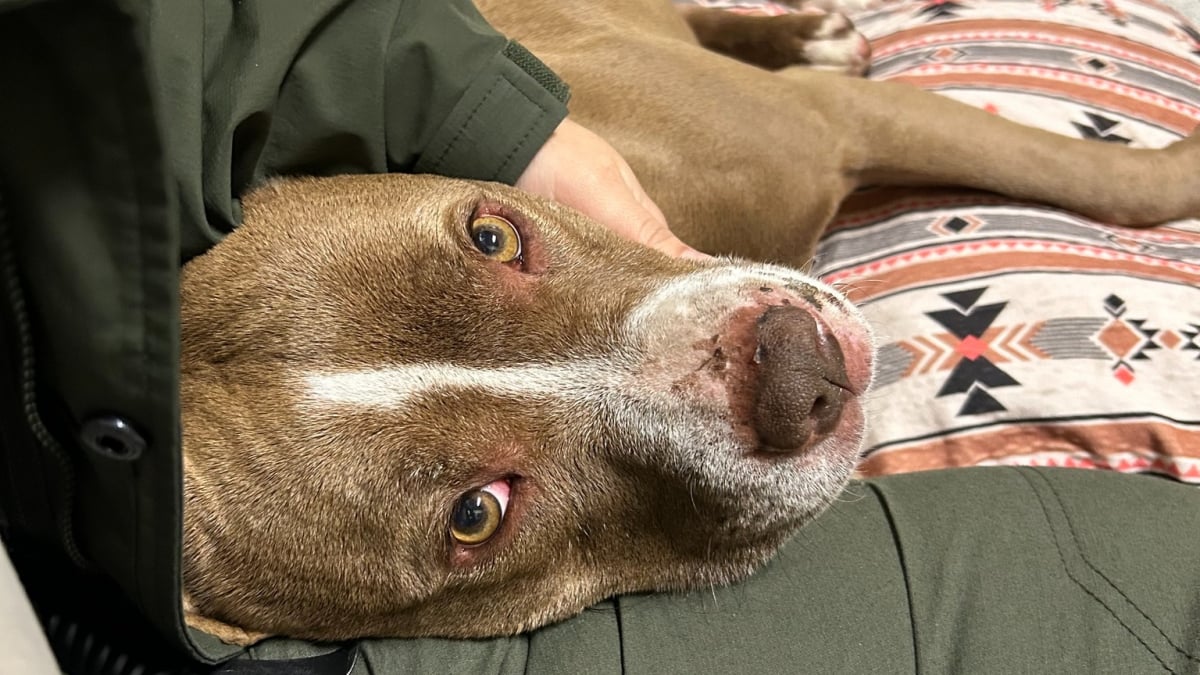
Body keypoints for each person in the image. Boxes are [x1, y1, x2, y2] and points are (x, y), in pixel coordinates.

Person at [0, 1, 1197, 674]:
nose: (774, 370)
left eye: (488, 246)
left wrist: (1146, 191)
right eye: (476, 512)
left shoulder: (692, 180)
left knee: (780, 142)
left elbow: (839, 124)